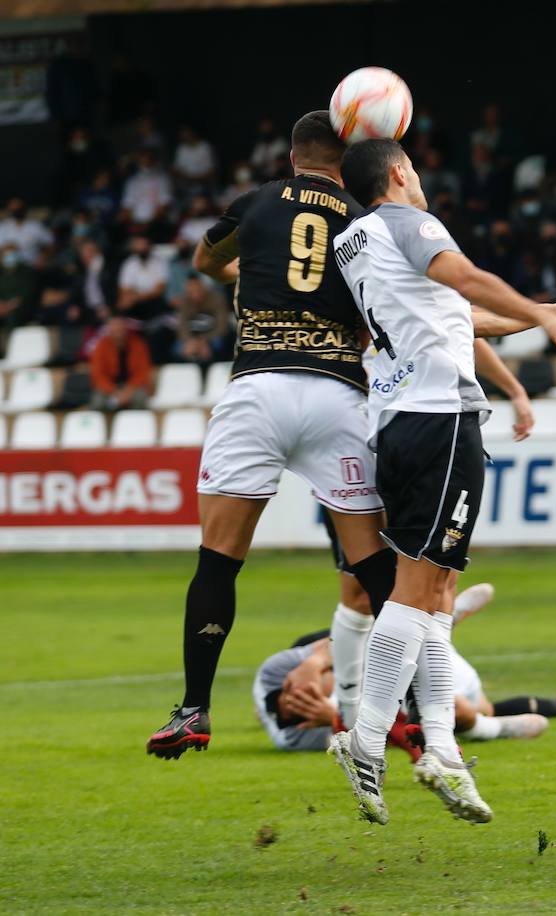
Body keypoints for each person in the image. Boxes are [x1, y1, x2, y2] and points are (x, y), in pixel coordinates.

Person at [328, 137, 556, 826]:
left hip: (397, 422)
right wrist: (540, 316)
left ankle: (442, 749)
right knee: (419, 588)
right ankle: (364, 740)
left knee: (439, 587)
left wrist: (537, 312)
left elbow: (457, 315)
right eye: (414, 168)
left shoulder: (355, 244)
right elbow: (466, 277)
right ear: (397, 174)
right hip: (438, 420)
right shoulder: (410, 224)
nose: (420, 179)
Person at [143, 113, 399, 763]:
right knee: (372, 566)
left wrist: (249, 275)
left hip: (256, 389)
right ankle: (404, 710)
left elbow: (205, 260)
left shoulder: (254, 203)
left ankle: (193, 710)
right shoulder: (360, 214)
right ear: (345, 162)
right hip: (334, 393)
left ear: (292, 157)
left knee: (218, 559)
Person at [254, 582, 556, 753]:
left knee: (365, 639)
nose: (306, 694)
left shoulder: (273, 670)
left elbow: (336, 641)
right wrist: (336, 719)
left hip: (383, 653)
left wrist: (314, 662)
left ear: (285, 685)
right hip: (407, 691)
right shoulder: (295, 739)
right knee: (471, 709)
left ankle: (441, 622)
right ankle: (519, 719)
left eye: (299, 693)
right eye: (306, 705)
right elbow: (381, 739)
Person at [89, 316, 153, 410]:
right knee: (97, 402)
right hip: (110, 387)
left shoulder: (138, 345)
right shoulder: (101, 346)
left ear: (125, 328)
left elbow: (143, 372)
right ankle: (107, 424)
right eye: (114, 328)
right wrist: (114, 391)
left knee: (140, 398)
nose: (118, 332)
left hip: (132, 387)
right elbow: (98, 375)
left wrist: (128, 390)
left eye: (120, 328)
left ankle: (134, 423)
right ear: (109, 329)